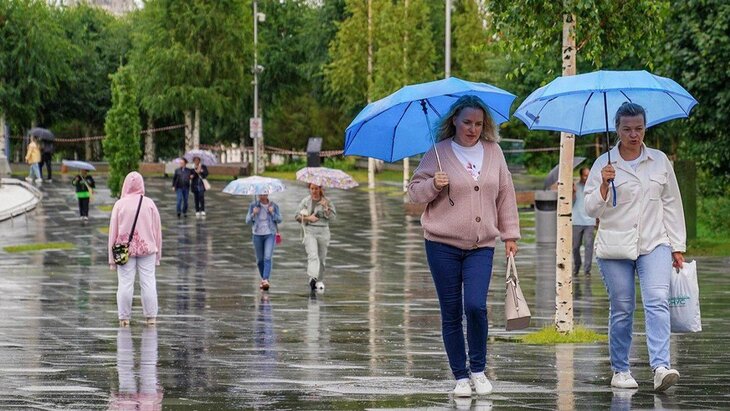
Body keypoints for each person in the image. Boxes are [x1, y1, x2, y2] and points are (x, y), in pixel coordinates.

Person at [407, 95, 520, 397]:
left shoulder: (494, 152)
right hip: (441, 245)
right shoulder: (438, 152)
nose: (472, 129)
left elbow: (505, 194)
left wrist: (510, 235)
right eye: (467, 122)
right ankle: (460, 376)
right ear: (454, 120)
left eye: (478, 124)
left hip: (482, 245)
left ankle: (478, 370)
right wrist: (434, 185)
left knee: (476, 306)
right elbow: (414, 193)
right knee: (451, 311)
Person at [584, 102, 686, 392]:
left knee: (657, 300)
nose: (633, 134)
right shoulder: (603, 164)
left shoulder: (659, 161)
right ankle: (620, 369)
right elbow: (590, 209)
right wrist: (603, 186)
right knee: (622, 306)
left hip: (654, 242)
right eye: (627, 129)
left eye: (639, 128)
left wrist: (677, 245)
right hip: (615, 247)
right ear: (617, 129)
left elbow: (671, 203)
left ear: (645, 128)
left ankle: (660, 367)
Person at [108, 172, 163, 327]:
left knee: (125, 284)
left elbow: (113, 232)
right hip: (147, 249)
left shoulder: (119, 205)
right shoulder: (149, 204)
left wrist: (112, 259)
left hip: (124, 250)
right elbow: (157, 231)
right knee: (148, 282)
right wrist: (158, 254)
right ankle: (151, 317)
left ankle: (124, 318)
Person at [295, 184, 336, 292]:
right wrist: (309, 218)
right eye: (312, 188)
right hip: (309, 231)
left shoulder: (327, 201)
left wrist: (326, 209)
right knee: (313, 255)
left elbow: (333, 218)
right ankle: (313, 277)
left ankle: (319, 280)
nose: (314, 191)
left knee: (321, 258)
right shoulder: (305, 201)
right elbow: (297, 216)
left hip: (323, 231)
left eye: (316, 188)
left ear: (320, 189)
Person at [245, 193, 283, 290]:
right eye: (260, 194)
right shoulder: (253, 205)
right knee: (259, 260)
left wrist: (272, 213)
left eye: (264, 194)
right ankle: (264, 280)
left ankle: (265, 279)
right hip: (257, 235)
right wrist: (253, 213)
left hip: (270, 234)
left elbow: (279, 220)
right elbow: (247, 221)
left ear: (268, 194)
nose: (262, 196)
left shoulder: (274, 205)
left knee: (267, 257)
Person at [572, 166, 596, 276]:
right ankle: (577, 266)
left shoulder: (593, 187)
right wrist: (572, 192)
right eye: (585, 175)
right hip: (576, 221)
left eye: (589, 175)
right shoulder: (575, 187)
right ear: (581, 176)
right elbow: (569, 203)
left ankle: (587, 270)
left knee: (589, 245)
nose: (587, 177)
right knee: (575, 246)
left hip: (590, 221)